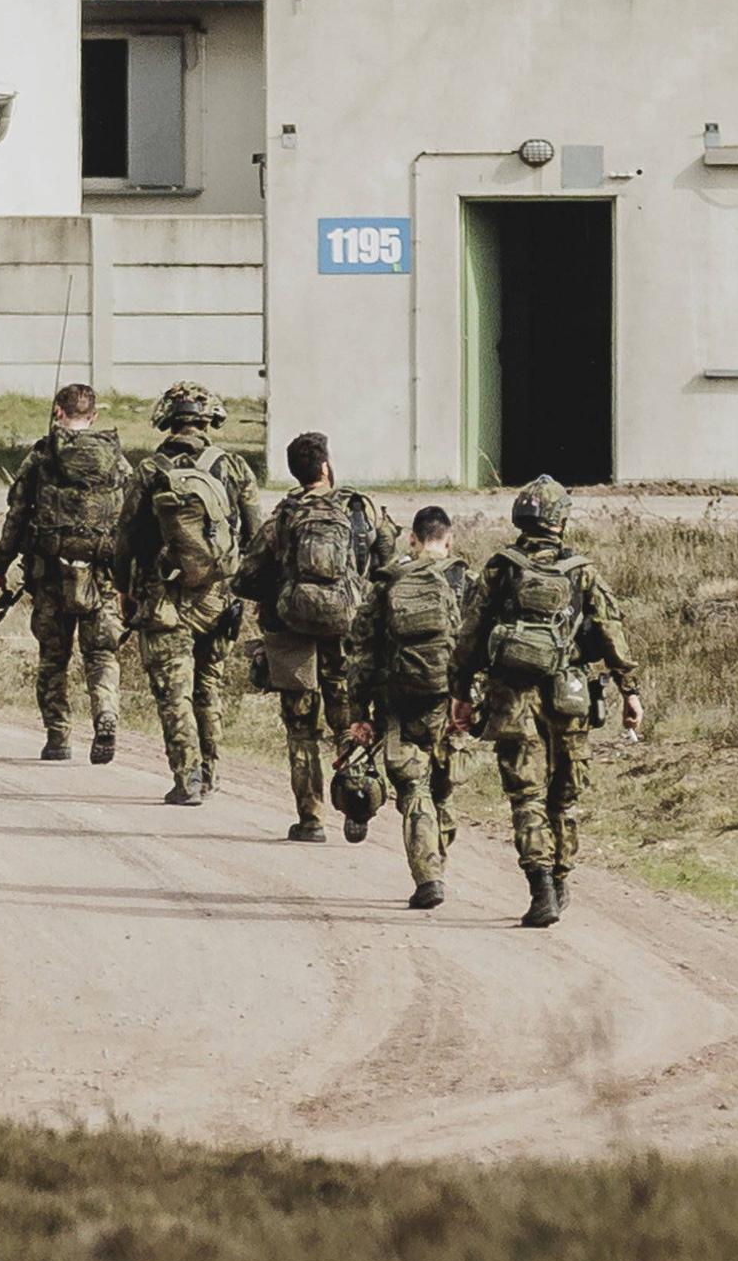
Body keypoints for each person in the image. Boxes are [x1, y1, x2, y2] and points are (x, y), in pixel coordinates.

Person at [451, 476, 641, 928]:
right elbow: (612, 633)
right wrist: (629, 691)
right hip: (569, 695)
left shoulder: (502, 567)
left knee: (526, 796)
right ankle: (560, 878)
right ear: (561, 521)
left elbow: (470, 635)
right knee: (565, 797)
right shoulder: (582, 570)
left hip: (512, 697)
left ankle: (540, 890)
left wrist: (460, 691)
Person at [234, 430, 384, 843]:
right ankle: (356, 800)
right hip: (345, 629)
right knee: (347, 720)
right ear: (324, 466)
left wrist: (279, 594)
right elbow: (386, 562)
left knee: (301, 728)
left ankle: (311, 819)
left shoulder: (283, 516)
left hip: (292, 632)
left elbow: (245, 578)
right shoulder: (359, 509)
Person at [118, 382, 260, 807]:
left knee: (172, 691)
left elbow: (125, 539)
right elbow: (256, 536)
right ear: (209, 419)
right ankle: (212, 772)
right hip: (218, 598)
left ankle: (188, 778)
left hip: (163, 597)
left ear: (167, 418)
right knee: (208, 687)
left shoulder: (149, 471)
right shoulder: (235, 467)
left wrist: (124, 590)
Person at [0, 384, 133, 763]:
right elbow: (132, 521)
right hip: (101, 575)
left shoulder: (42, 456)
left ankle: (58, 738)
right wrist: (130, 579)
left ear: (58, 412)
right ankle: (106, 714)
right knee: (101, 654)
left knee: (54, 657)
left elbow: (17, 515)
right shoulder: (117, 461)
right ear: (94, 416)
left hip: (50, 572)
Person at [347, 505, 477, 906]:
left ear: (413, 539)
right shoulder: (465, 580)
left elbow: (362, 651)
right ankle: (439, 861)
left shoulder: (388, 580)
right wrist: (472, 699)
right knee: (443, 786)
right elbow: (479, 646)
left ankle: (429, 876)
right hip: (448, 700)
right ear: (449, 537)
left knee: (414, 787)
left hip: (398, 700)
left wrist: (358, 714)